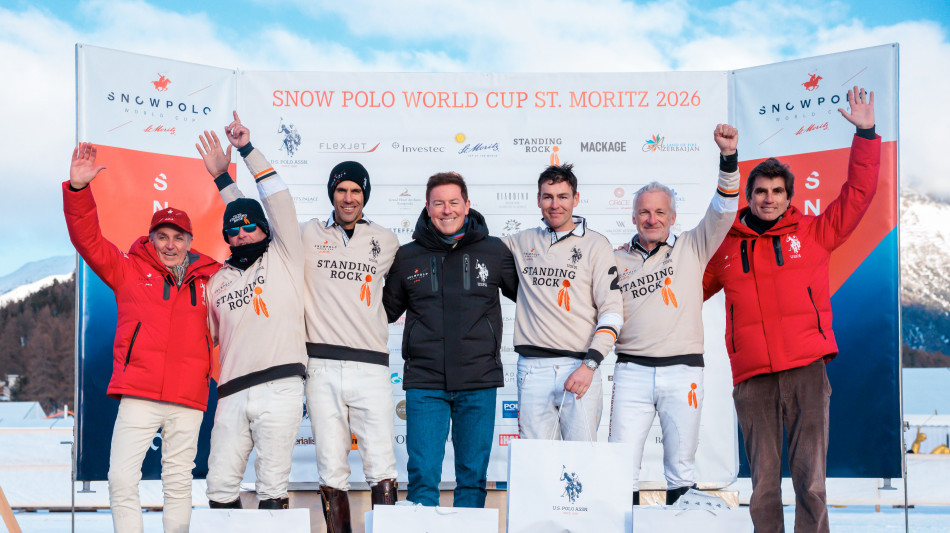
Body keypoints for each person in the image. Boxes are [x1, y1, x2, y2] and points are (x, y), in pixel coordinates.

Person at [703, 87, 879, 533]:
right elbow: (682, 295)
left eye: (777, 192)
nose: (769, 198)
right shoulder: (724, 249)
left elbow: (859, 194)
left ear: (788, 197)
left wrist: (865, 135)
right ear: (748, 195)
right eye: (761, 191)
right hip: (753, 379)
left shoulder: (815, 233)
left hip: (806, 371)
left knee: (811, 485)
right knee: (763, 487)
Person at [63, 143, 220, 533]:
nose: (170, 244)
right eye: (162, 236)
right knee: (121, 479)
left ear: (190, 241)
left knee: (179, 484)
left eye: (178, 237)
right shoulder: (129, 270)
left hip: (188, 397)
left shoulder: (213, 280)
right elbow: (87, 240)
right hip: (139, 392)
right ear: (151, 239)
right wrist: (79, 191)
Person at [609, 124, 740, 506]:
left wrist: (728, 157)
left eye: (660, 212)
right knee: (620, 470)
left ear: (672, 216)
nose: (652, 219)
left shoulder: (693, 246)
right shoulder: (614, 259)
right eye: (644, 212)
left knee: (681, 470)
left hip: (683, 372)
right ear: (633, 217)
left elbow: (724, 209)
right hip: (631, 372)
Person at [383, 172, 518, 508]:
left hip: (478, 380)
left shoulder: (494, 251)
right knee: (422, 478)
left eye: (454, 202)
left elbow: (533, 298)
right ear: (427, 208)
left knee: (472, 479)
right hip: (425, 383)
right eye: (439, 203)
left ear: (467, 205)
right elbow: (382, 311)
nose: (447, 210)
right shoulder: (407, 256)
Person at [196, 112, 307, 510]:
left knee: (272, 488)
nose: (241, 234)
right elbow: (202, 338)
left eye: (249, 228)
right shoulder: (216, 281)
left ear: (266, 230)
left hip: (280, 386)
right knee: (219, 487)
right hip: (230, 392)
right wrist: (221, 180)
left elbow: (276, 202)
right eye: (233, 230)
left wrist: (245, 151)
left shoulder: (284, 255)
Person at [298, 159, 400, 532]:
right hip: (320, 366)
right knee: (330, 467)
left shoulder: (386, 240)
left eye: (356, 191)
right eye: (341, 190)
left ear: (365, 195)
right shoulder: (307, 234)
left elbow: (398, 295)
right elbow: (262, 224)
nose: (348, 198)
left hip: (371, 367)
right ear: (332, 194)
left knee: (382, 465)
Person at [502, 164, 623, 441]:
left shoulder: (597, 245)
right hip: (532, 368)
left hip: (579, 367)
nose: (555, 205)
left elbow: (612, 312)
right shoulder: (522, 241)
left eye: (563, 197)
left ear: (576, 199)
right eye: (548, 197)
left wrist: (590, 364)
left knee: (581, 459)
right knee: (536, 459)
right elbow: (479, 247)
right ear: (538, 200)